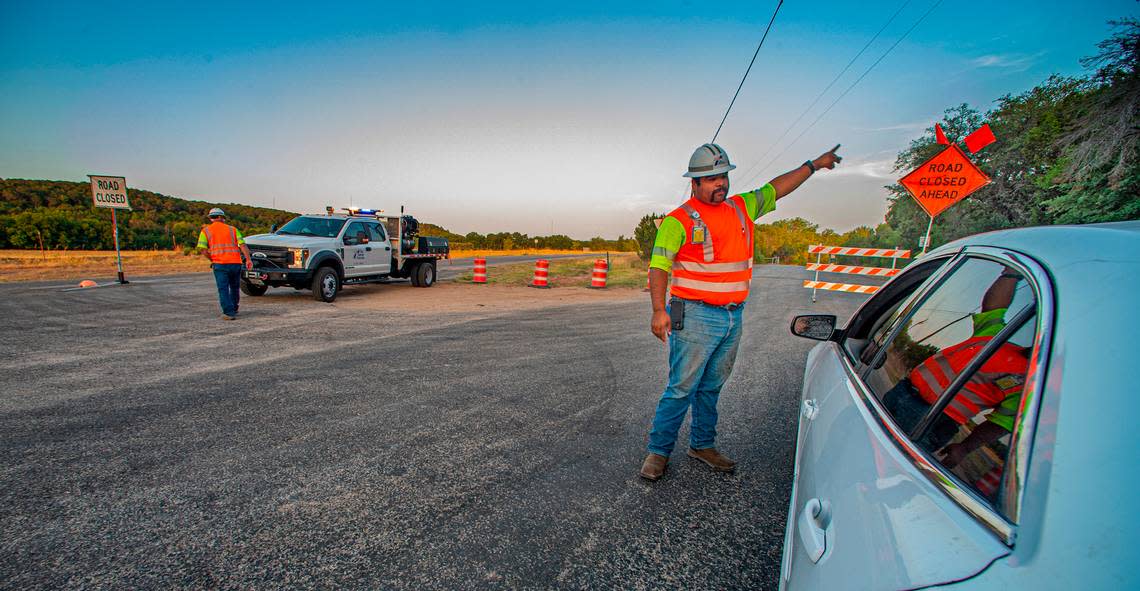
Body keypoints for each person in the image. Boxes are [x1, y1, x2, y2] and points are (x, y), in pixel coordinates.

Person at [639, 143, 841, 481]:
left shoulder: (741, 207)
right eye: (711, 179)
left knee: (712, 385)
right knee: (681, 387)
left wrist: (813, 165)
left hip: (733, 315)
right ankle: (658, 452)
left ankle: (702, 445)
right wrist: (659, 309)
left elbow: (777, 187)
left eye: (723, 176)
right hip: (690, 313)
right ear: (695, 184)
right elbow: (659, 266)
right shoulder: (678, 221)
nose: (720, 183)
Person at [882, 267, 1029, 461]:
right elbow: (994, 306)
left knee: (884, 468)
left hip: (930, 422)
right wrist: (1011, 274)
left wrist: (965, 448)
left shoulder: (1028, 384)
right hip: (901, 393)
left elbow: (1001, 424)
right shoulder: (996, 337)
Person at [196, 207, 253, 320]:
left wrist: (212, 259)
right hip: (235, 263)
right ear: (222, 217)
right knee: (234, 287)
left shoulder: (205, 231)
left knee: (223, 288)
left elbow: (202, 249)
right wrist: (248, 259)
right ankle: (234, 308)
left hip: (220, 264)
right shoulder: (233, 229)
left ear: (211, 218)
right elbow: (243, 245)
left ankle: (228, 312)